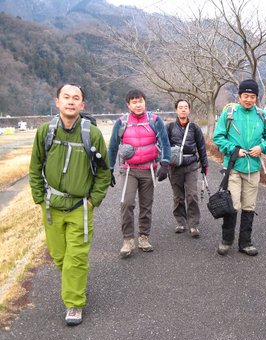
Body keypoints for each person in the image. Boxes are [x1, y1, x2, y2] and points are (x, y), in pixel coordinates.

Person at [29, 83, 111, 325]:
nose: (71, 101)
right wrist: (38, 198)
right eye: (66, 97)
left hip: (79, 208)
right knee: (59, 256)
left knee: (76, 258)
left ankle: (74, 304)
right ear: (57, 102)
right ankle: (76, 284)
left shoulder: (91, 134)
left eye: (76, 98)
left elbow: (104, 173)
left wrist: (93, 201)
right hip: (51, 206)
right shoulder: (45, 131)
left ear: (82, 105)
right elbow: (35, 167)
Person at [213, 79, 266, 256]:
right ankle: (226, 240)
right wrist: (234, 150)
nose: (249, 99)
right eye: (245, 96)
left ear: (257, 98)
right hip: (233, 167)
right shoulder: (230, 114)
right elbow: (218, 137)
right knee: (232, 204)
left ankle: (245, 242)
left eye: (252, 96)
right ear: (239, 96)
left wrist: (262, 148)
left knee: (249, 205)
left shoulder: (263, 115)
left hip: (253, 168)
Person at [108, 89, 170, 258]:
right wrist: (109, 169)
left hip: (149, 169)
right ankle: (128, 240)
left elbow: (165, 143)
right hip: (129, 170)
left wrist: (164, 163)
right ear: (128, 105)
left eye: (140, 101)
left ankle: (144, 237)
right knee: (126, 203)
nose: (138, 104)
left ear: (145, 102)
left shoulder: (155, 120)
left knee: (146, 205)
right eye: (134, 102)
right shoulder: (121, 122)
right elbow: (113, 146)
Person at [166, 99, 208, 237]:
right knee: (178, 196)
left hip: (191, 165)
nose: (183, 109)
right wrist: (163, 163)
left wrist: (205, 164)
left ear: (189, 110)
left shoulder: (195, 128)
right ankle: (180, 222)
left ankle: (194, 224)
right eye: (180, 107)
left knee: (192, 195)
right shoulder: (170, 127)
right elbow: (163, 146)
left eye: (185, 107)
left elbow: (201, 146)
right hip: (175, 166)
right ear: (176, 110)